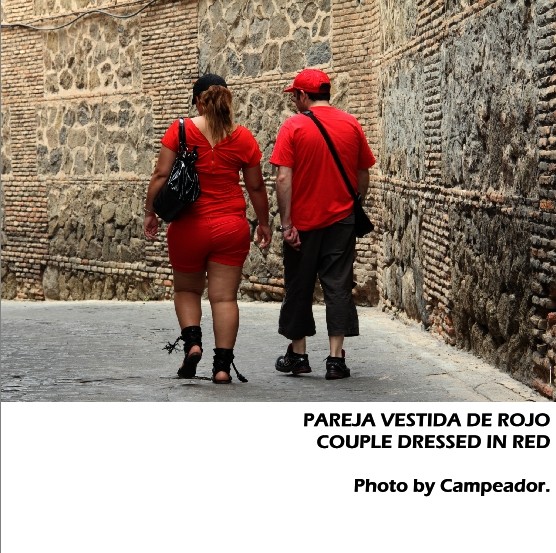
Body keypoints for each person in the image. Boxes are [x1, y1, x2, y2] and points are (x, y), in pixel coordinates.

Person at [144, 74, 271, 384]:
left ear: (197, 101)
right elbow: (255, 186)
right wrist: (265, 223)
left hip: (189, 226)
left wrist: (151, 212)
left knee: (187, 289)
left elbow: (161, 175)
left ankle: (193, 344)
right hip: (231, 228)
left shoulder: (181, 129)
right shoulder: (243, 137)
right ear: (226, 99)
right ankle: (223, 368)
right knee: (224, 299)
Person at [270, 68, 376, 380]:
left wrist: (286, 223)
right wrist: (354, 203)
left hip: (303, 223)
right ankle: (335, 359)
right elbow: (363, 173)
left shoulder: (293, 127)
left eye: (295, 96)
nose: (294, 101)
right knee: (338, 285)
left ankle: (299, 355)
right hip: (341, 221)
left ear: (303, 95)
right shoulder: (351, 124)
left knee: (299, 286)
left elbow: (283, 177)